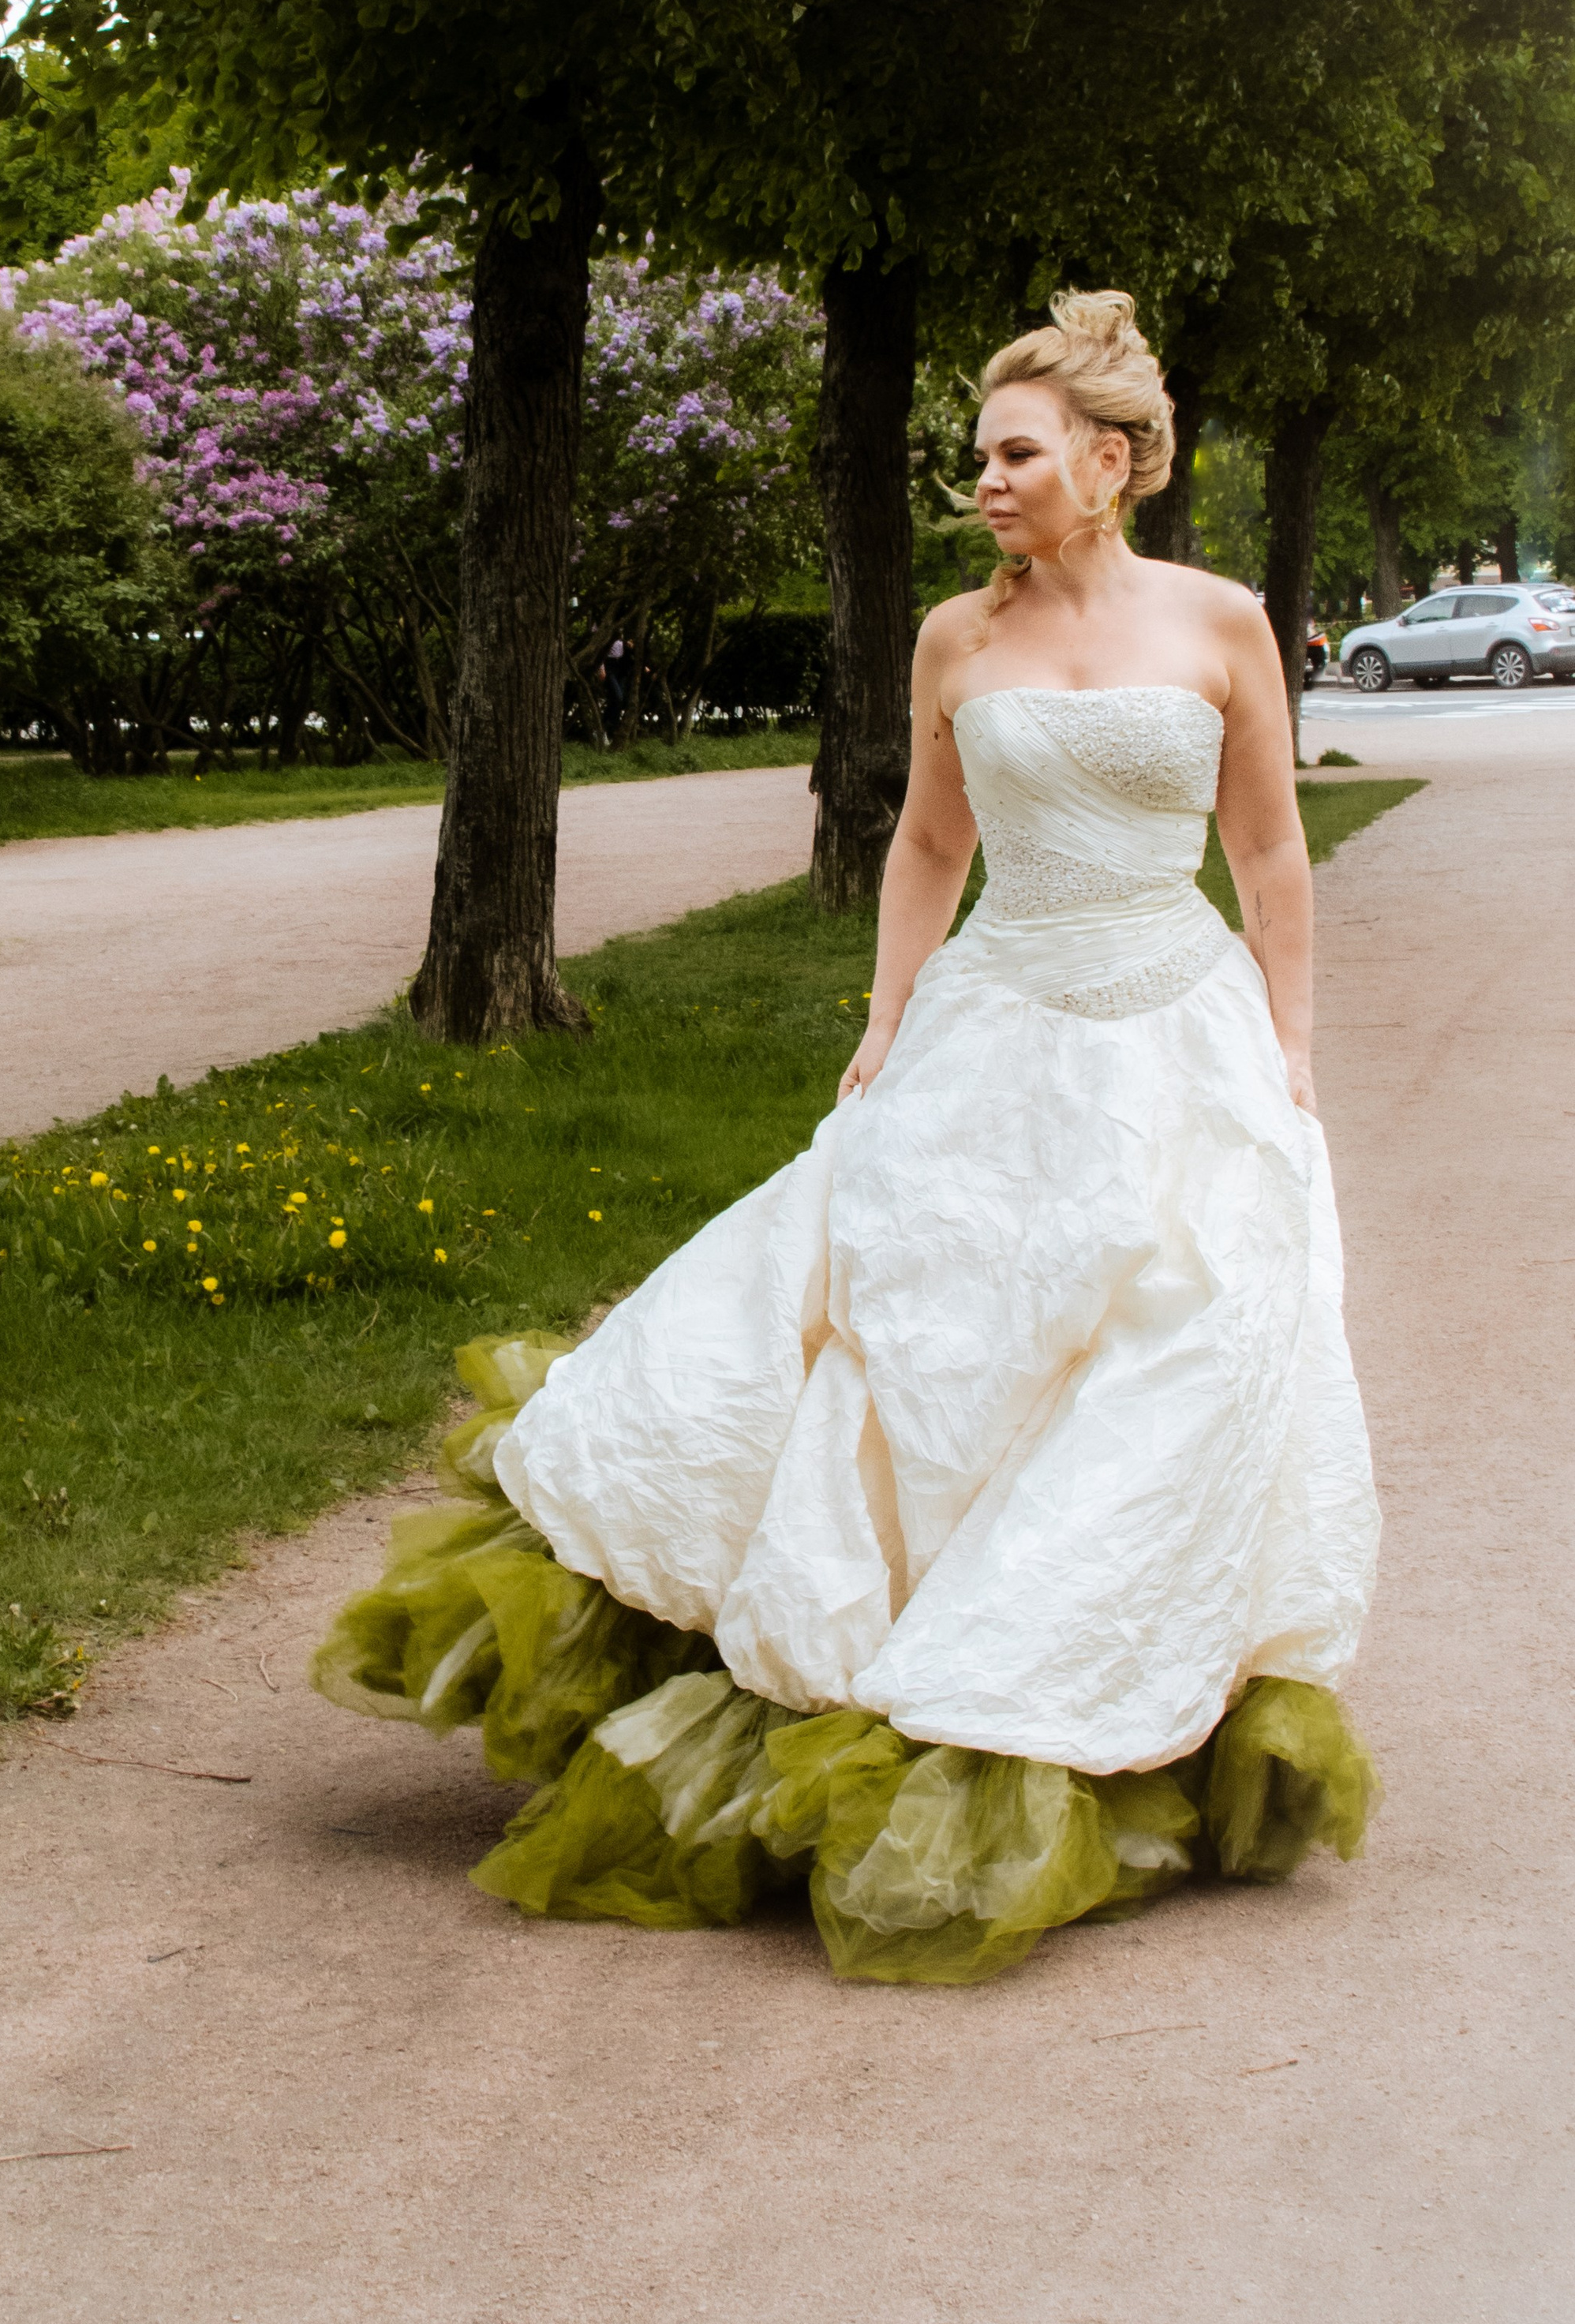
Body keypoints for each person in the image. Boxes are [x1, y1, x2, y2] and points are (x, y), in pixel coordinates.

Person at [315, 290, 1380, 1985]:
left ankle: (1080, 1685)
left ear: (1110, 464)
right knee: (913, 1322)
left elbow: (1266, 859)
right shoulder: (956, 638)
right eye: (978, 457)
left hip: (1175, 1031)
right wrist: (887, 1021)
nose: (985, 482)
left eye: (1015, 454)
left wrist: (1291, 1045)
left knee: (1166, 1353)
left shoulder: (1221, 622)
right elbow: (929, 848)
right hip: (995, 1020)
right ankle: (873, 1651)